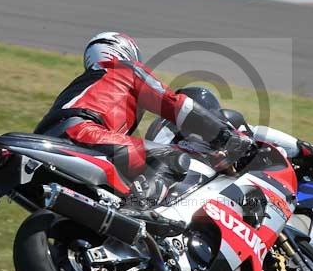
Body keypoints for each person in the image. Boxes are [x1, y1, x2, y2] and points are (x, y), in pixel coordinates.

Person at [34, 32, 253, 205]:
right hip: (82, 132)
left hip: (49, 140)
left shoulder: (83, 85)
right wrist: (224, 136)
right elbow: (175, 105)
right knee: (170, 158)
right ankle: (142, 209)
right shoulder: (125, 69)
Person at [145, 86, 313, 174]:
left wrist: (300, 147)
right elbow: (152, 161)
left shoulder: (227, 122)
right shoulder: (162, 131)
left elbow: (257, 133)